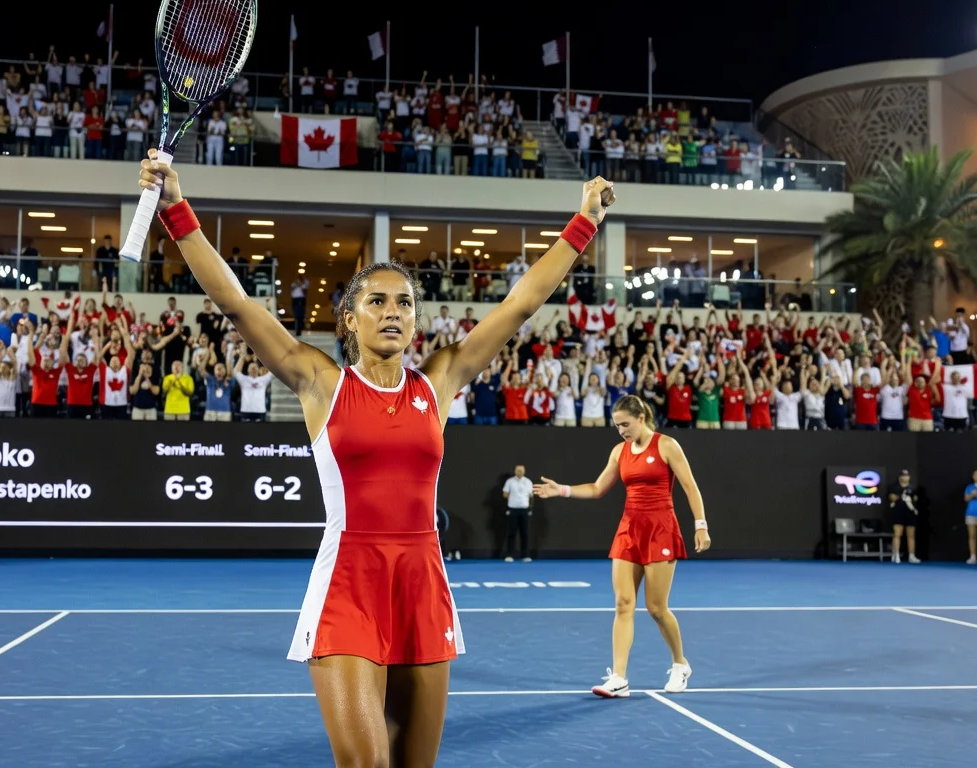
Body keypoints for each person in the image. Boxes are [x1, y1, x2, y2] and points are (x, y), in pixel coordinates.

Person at [139, 148, 616, 768]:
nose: (393, 312)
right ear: (348, 318)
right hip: (348, 585)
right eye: (378, 302)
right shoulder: (319, 382)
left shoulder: (438, 381)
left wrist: (584, 223)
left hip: (423, 581)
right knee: (365, 763)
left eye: (405, 304)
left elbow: (519, 305)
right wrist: (176, 208)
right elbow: (237, 304)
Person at [531, 395, 709, 698]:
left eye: (625, 424)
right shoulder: (619, 452)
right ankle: (619, 678)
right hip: (628, 531)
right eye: (617, 426)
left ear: (641, 417)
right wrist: (561, 490)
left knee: (655, 608)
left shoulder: (667, 446)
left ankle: (680, 664)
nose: (621, 431)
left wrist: (701, 525)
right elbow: (598, 488)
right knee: (623, 604)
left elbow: (691, 486)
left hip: (661, 530)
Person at [887, 469, 921, 564]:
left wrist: (912, 499)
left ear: (909, 477)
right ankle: (895, 554)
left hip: (910, 514)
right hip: (898, 513)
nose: (904, 477)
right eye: (902, 476)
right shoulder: (894, 488)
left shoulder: (913, 488)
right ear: (899, 477)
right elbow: (891, 497)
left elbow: (916, 499)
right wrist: (898, 497)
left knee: (911, 535)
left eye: (906, 476)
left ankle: (911, 555)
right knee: (897, 534)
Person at [502, 464, 534, 562]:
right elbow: (505, 493)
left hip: (524, 510)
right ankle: (509, 555)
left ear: (524, 471)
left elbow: (531, 496)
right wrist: (513, 499)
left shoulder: (528, 482)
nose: (520, 472)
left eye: (521, 470)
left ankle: (525, 555)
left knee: (525, 533)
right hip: (513, 509)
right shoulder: (510, 481)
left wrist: (530, 508)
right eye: (518, 470)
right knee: (511, 533)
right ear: (515, 471)